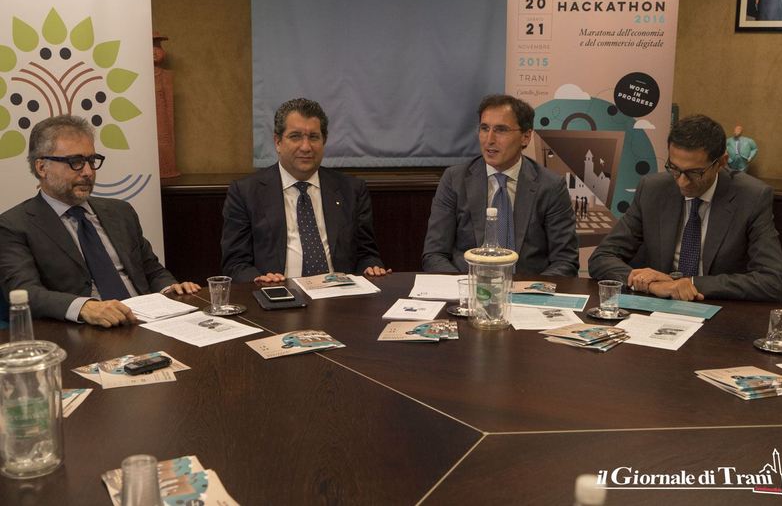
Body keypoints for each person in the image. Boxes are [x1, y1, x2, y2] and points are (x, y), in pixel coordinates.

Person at [0, 115, 200, 327]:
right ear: (42, 168)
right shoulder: (14, 225)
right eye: (75, 162)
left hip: (147, 322)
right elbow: (25, 293)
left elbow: (151, 270)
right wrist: (84, 307)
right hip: (85, 331)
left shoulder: (120, 211)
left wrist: (170, 289)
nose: (88, 172)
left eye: (91, 161)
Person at [588, 114, 782, 302]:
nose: (682, 182)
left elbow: (772, 281)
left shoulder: (751, 197)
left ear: (721, 163)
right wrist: (651, 284)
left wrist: (689, 283)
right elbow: (601, 257)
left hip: (717, 307)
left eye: (694, 173)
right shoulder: (653, 190)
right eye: (674, 168)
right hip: (658, 306)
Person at [221, 98, 389, 284]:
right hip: (278, 292)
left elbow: (366, 254)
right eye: (295, 136)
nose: (306, 147)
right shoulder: (246, 192)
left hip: (340, 294)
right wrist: (259, 280)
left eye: (314, 137)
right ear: (277, 142)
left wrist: (371, 267)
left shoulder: (351, 190)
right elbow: (235, 264)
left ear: (324, 141)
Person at [422, 94, 579, 276]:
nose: (489, 139)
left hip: (527, 288)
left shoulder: (550, 186)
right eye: (484, 128)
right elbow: (435, 255)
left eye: (501, 130)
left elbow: (565, 261)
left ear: (526, 137)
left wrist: (532, 289)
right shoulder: (454, 180)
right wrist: (465, 287)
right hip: (468, 286)